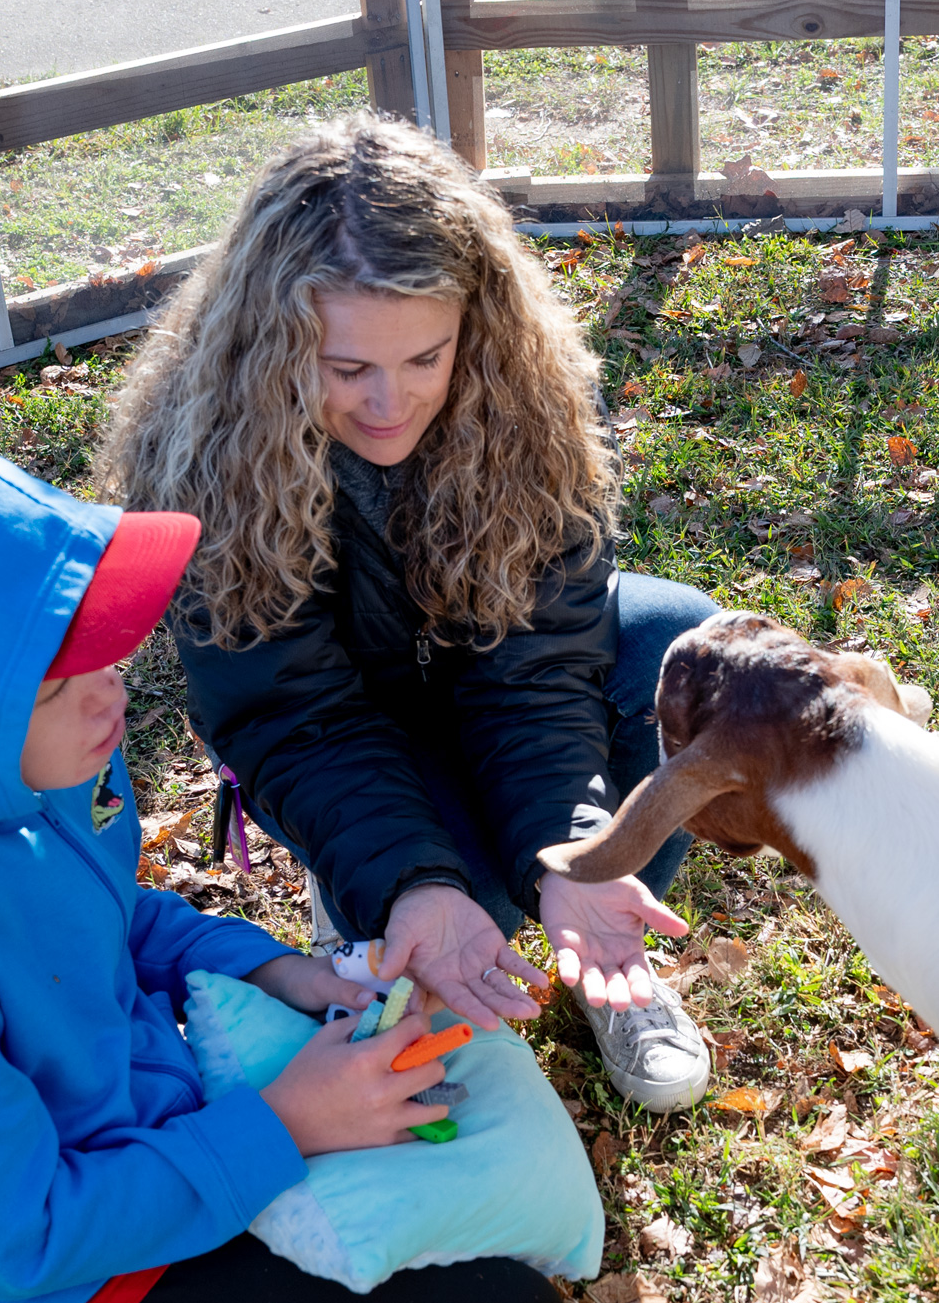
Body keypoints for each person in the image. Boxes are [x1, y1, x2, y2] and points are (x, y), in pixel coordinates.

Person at [0, 427, 570, 1303]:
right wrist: (285, 1124)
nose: (110, 697)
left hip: (118, 1144)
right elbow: (19, 1235)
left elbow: (105, 912)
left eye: (98, 647)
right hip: (21, 1291)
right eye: (53, 686)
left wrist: (278, 972)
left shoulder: (9, 748)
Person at [107, 117, 719, 1114]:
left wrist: (574, 850)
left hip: (484, 682)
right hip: (344, 722)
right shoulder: (209, 453)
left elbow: (531, 671)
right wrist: (414, 883)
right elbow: (287, 714)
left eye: (425, 358)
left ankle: (605, 948)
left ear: (475, 326)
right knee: (444, 910)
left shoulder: (528, 397)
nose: (390, 401)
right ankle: (374, 904)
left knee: (678, 645)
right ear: (272, 342)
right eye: (346, 369)